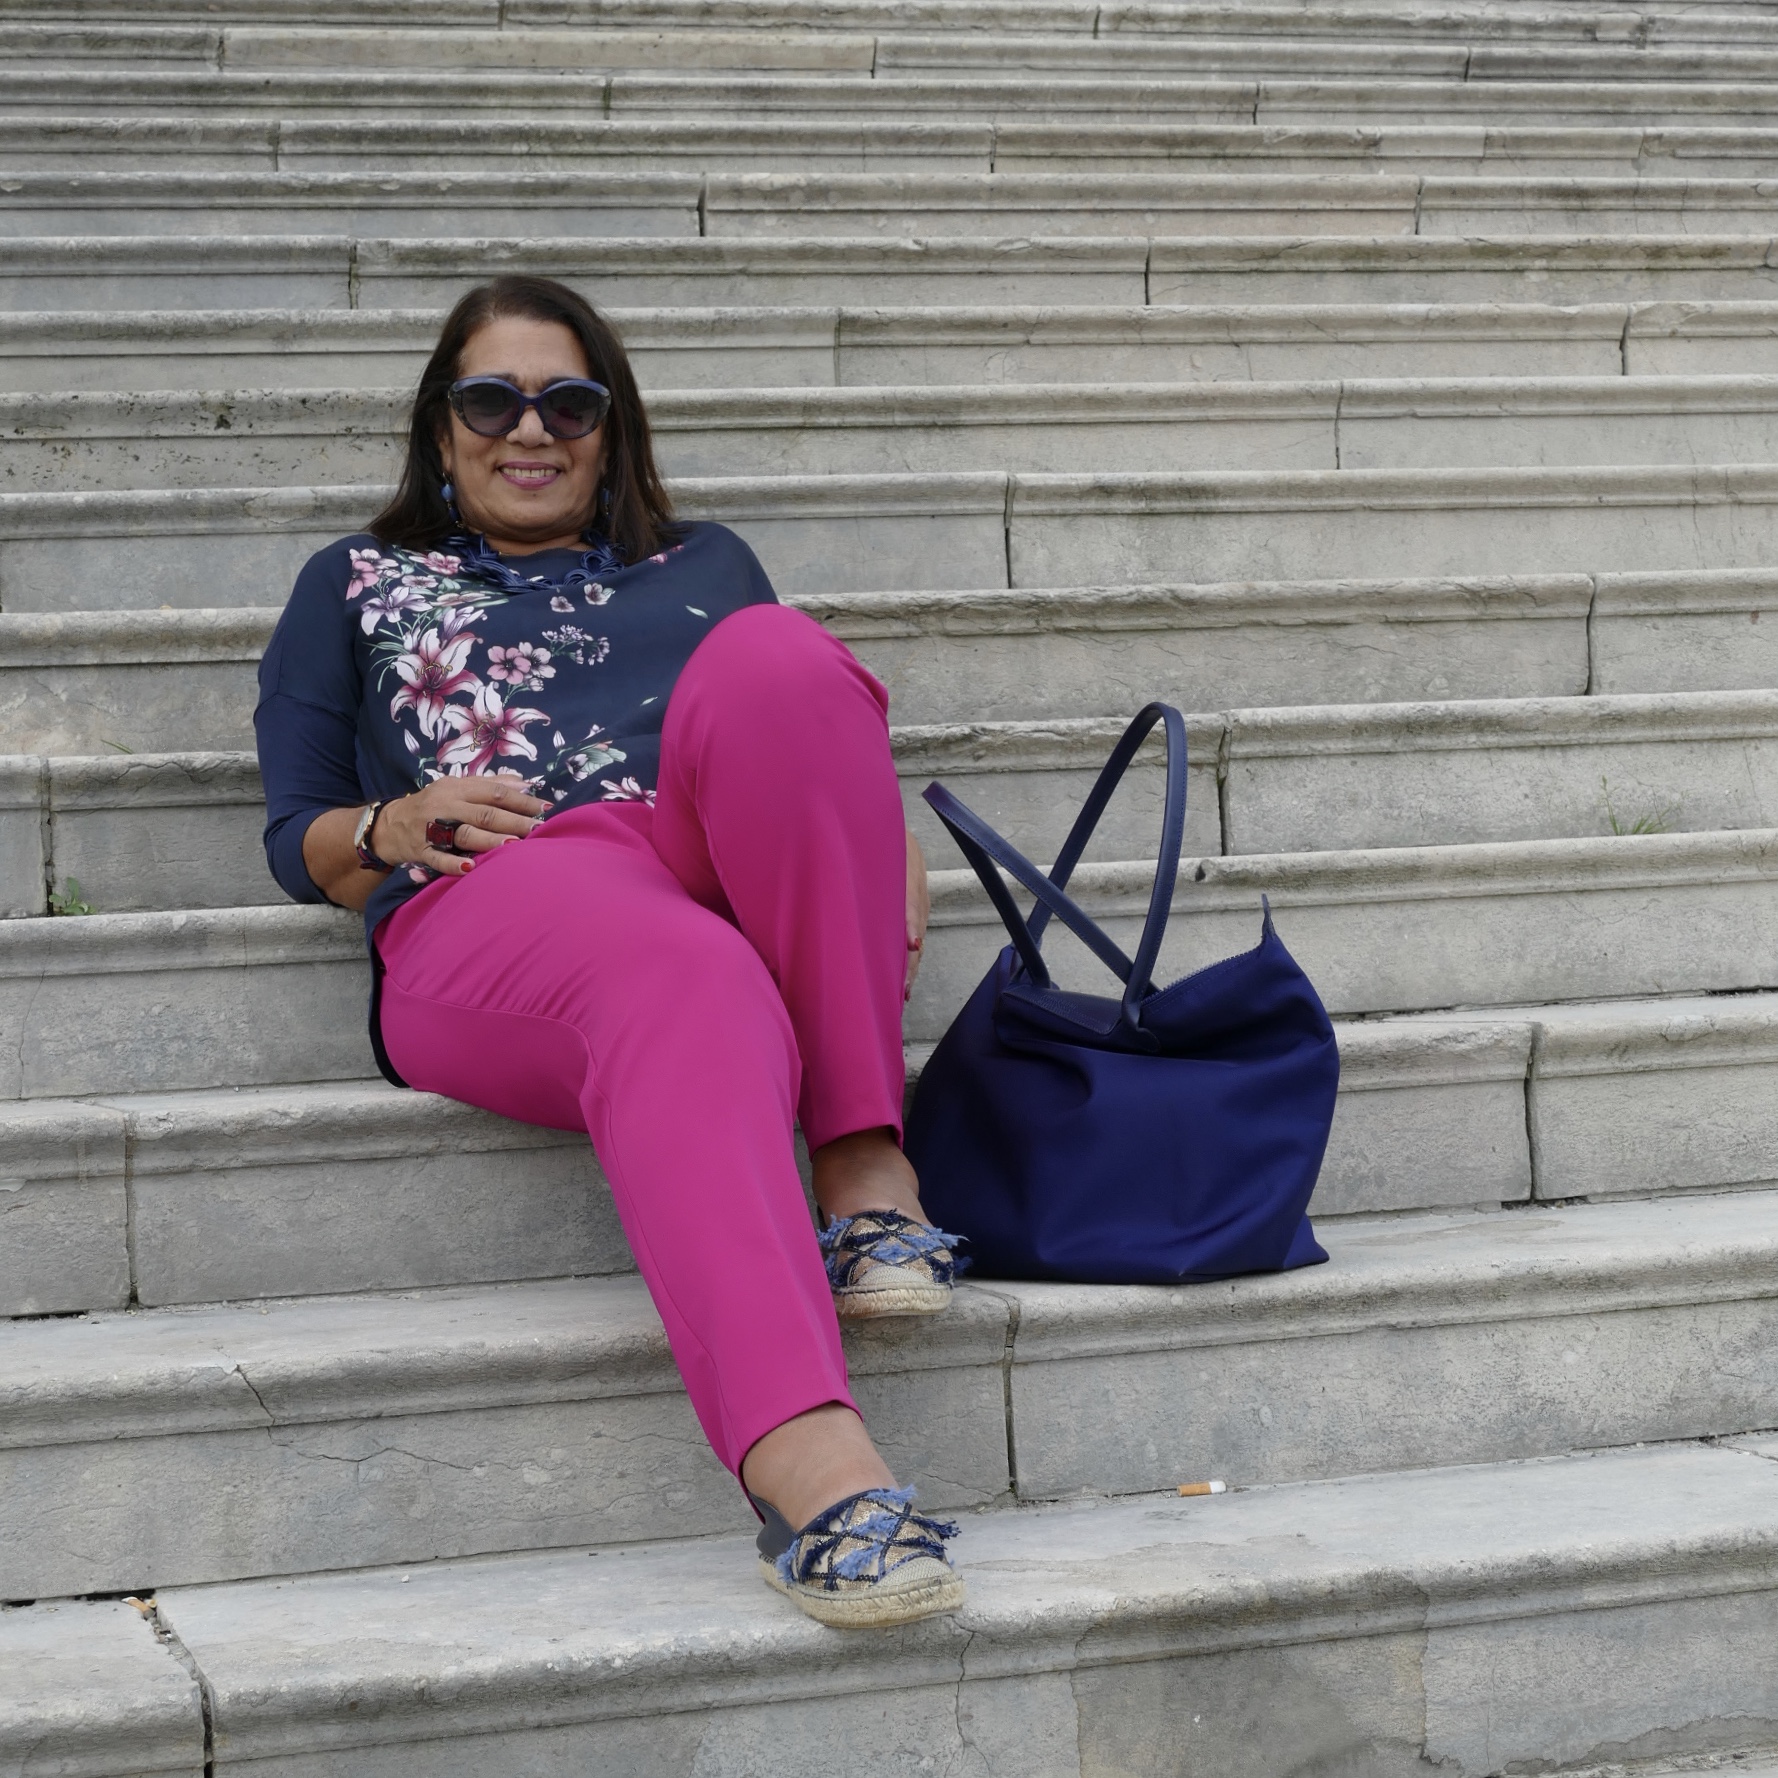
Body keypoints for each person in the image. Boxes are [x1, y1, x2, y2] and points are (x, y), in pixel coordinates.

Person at [255, 274, 965, 1629]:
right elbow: (297, 842)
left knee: (777, 656)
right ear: (441, 425)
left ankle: (865, 1161)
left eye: (567, 403)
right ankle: (811, 1469)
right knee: (689, 972)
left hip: (692, 860)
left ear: (611, 425)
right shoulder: (353, 581)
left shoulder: (705, 565)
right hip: (497, 902)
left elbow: (797, 749)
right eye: (491, 401)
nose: (530, 429)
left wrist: (880, 848)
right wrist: (394, 819)